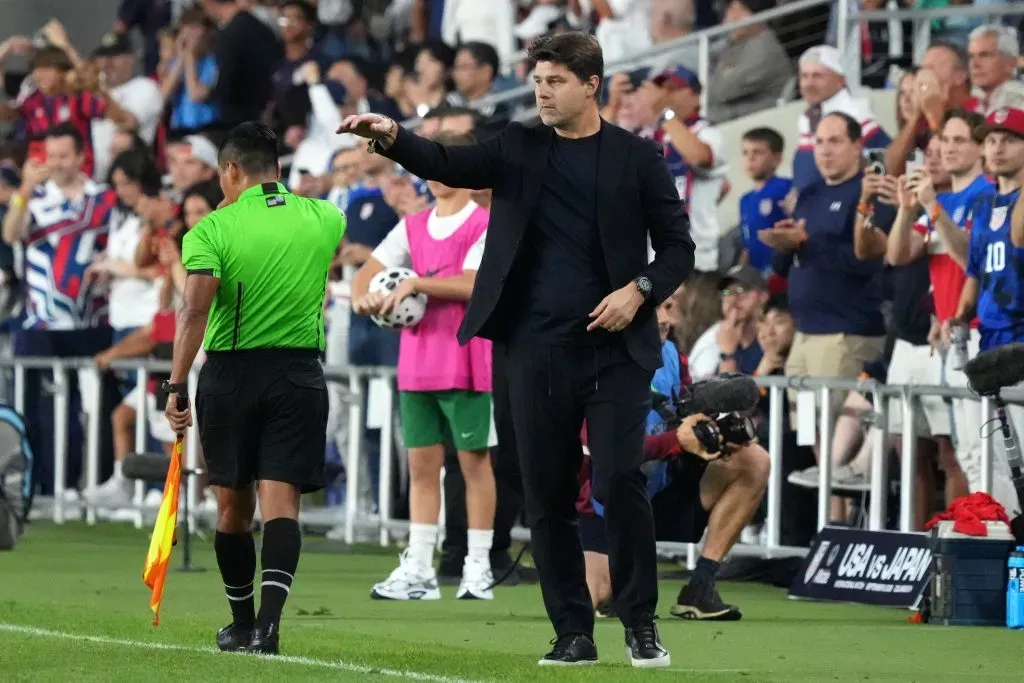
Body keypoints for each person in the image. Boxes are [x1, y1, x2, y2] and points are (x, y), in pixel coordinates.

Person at [338, 31, 694, 668]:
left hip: (615, 348)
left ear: (591, 84)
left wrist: (637, 292)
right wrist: (391, 136)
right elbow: (448, 163)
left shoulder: (637, 159)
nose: (542, 93)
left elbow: (678, 249)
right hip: (531, 349)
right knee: (548, 492)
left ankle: (640, 621)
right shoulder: (519, 147)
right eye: (537, 82)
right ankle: (572, 631)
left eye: (555, 81)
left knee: (618, 477)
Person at [164, 122, 345, 655]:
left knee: (233, 509)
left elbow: (195, 310)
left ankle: (241, 624)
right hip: (300, 374)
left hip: (231, 375)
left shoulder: (211, 230)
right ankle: (270, 626)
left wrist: (176, 384)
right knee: (282, 505)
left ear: (230, 170)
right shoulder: (325, 218)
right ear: (280, 169)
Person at [351, 130, 497, 601]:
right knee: (421, 465)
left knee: (474, 464)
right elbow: (366, 273)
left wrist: (415, 283)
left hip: (466, 358)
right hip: (417, 360)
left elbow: (474, 284)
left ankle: (478, 565)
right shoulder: (412, 226)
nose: (435, 174)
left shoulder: (484, 222)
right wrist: (364, 300)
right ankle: (418, 567)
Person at [579, 296, 769, 621]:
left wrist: (713, 424)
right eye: (657, 308)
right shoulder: (595, 360)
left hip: (657, 491)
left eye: (670, 306)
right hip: (602, 504)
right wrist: (675, 441)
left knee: (753, 459)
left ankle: (701, 585)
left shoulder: (671, 354)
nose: (668, 319)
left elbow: (683, 410)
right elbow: (604, 449)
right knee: (599, 597)